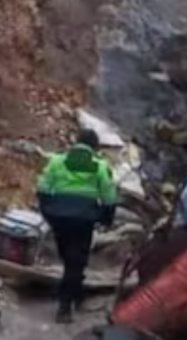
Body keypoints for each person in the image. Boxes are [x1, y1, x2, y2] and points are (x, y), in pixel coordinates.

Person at [37, 129, 117, 324]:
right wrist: (106, 219)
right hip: (84, 219)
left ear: (76, 142)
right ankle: (65, 306)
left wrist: (48, 212)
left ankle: (75, 289)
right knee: (76, 260)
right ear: (94, 147)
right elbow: (109, 196)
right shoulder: (100, 166)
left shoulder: (57, 161)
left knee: (68, 256)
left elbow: (43, 187)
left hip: (59, 217)